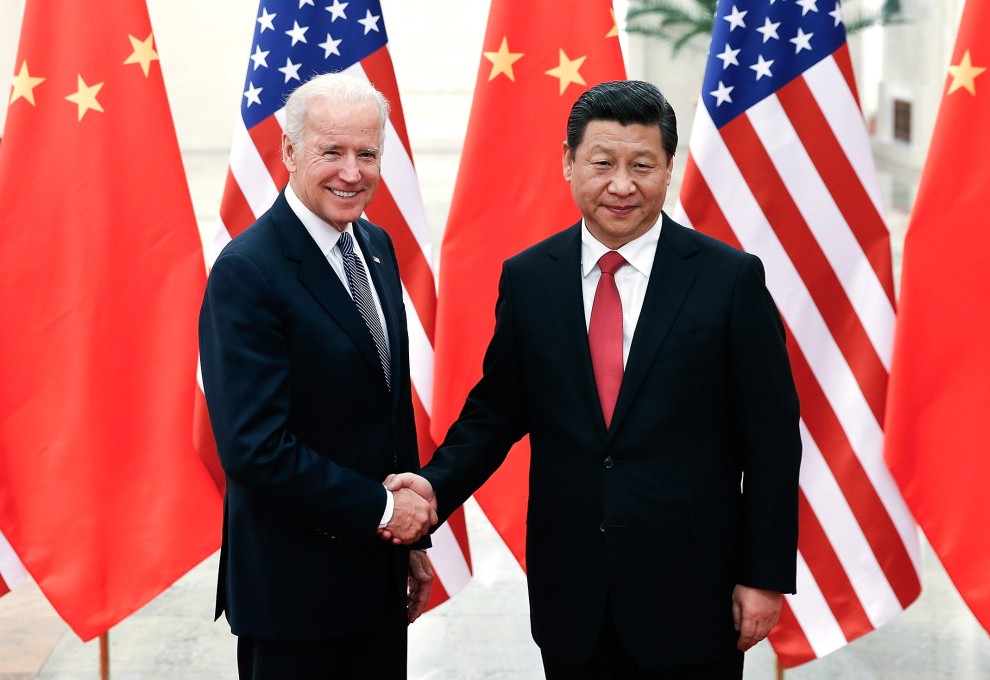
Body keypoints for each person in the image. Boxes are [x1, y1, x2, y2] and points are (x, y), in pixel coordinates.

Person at [385, 80, 802, 679]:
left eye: (643, 165)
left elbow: (772, 441)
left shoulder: (729, 280)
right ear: (568, 161)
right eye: (602, 163)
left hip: (693, 592)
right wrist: (431, 489)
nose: (622, 185)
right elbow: (497, 411)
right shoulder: (530, 279)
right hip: (572, 594)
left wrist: (762, 577)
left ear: (668, 169)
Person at [199, 72, 437, 680]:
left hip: (375, 584)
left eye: (367, 153)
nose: (352, 173)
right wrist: (385, 512)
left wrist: (409, 543)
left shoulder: (376, 246)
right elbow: (255, 447)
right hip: (294, 599)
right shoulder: (248, 270)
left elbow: (388, 404)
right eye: (332, 152)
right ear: (288, 151)